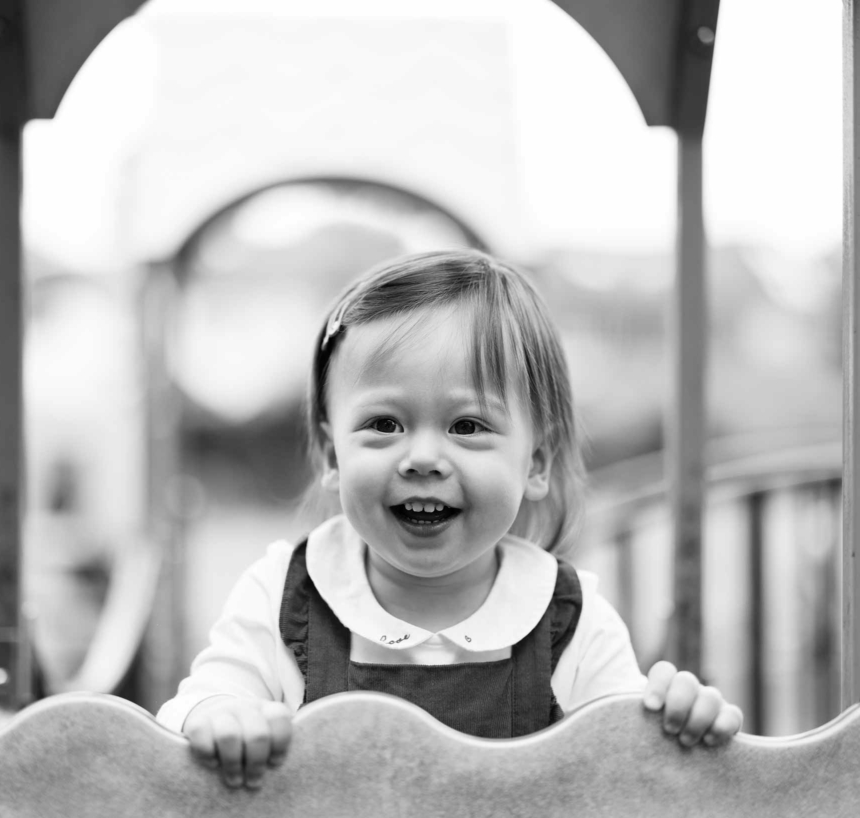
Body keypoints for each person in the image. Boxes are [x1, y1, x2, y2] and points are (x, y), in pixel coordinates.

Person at [156, 249, 743, 789]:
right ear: (334, 456)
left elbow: (625, 762)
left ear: (535, 461)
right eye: (385, 424)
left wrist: (673, 724)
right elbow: (188, 712)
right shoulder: (286, 596)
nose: (423, 459)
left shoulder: (565, 619)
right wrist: (220, 716)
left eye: (467, 426)